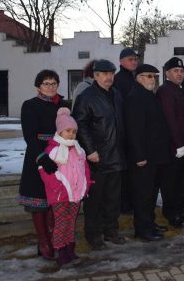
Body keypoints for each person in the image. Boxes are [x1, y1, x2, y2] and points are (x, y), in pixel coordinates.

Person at [72, 59, 127, 250]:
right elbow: (80, 125)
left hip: (117, 155)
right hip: (98, 157)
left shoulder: (117, 94)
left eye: (111, 73)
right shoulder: (87, 97)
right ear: (95, 76)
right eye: (104, 74)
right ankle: (93, 234)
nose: (108, 77)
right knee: (95, 199)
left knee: (113, 197)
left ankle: (111, 230)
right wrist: (90, 150)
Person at [19, 69, 66, 260]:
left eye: (53, 83)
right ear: (38, 85)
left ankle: (54, 238)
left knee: (55, 202)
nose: (50, 87)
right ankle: (44, 242)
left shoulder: (63, 105)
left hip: (60, 156)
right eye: (46, 83)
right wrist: (42, 157)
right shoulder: (30, 105)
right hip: (38, 157)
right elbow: (29, 136)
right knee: (39, 202)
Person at [124, 64, 172, 241]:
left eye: (154, 76)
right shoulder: (135, 97)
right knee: (143, 195)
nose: (153, 79)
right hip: (144, 158)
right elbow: (134, 130)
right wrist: (140, 156)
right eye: (149, 76)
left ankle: (150, 224)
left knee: (151, 193)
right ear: (139, 78)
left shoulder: (147, 95)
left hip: (155, 156)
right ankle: (142, 229)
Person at [39, 108, 91, 267]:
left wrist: (86, 184)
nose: (71, 134)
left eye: (74, 131)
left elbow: (85, 168)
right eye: (67, 131)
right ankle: (61, 252)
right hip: (60, 195)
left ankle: (70, 250)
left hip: (75, 194)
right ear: (60, 131)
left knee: (71, 223)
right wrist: (59, 189)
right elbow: (45, 172)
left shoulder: (78, 149)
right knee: (61, 224)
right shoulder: (53, 150)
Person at [156, 57, 184, 227]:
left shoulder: (180, 90)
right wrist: (178, 144)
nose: (179, 74)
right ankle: (171, 212)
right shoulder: (165, 91)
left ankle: (180, 209)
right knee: (170, 181)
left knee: (182, 180)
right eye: (175, 71)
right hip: (174, 146)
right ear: (167, 73)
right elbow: (170, 119)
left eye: (181, 71)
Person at [113, 48, 138, 215]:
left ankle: (130, 202)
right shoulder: (119, 79)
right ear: (121, 61)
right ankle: (125, 204)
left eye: (135, 59)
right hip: (125, 132)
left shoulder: (131, 78)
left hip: (132, 130)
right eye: (130, 59)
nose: (134, 62)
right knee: (126, 171)